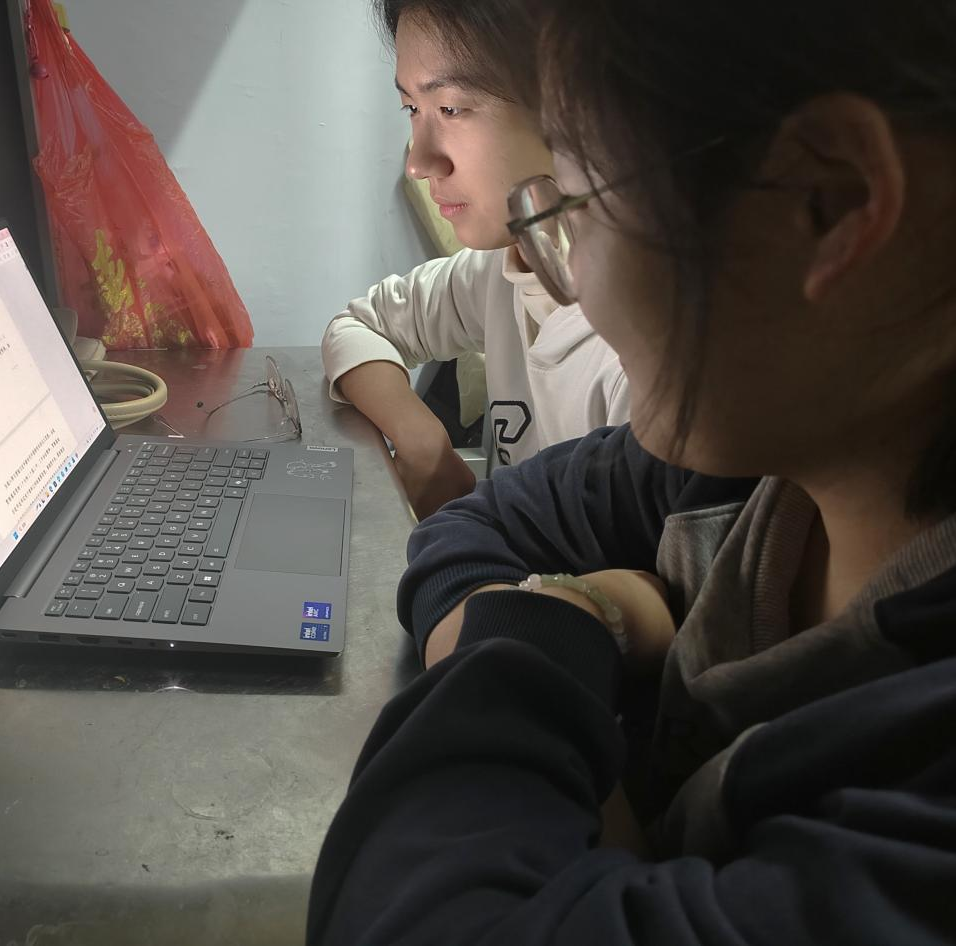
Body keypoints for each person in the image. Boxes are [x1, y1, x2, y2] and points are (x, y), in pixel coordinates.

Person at [308, 0, 956, 942]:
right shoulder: (738, 485)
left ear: (831, 201)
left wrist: (554, 624)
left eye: (582, 200)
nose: (577, 287)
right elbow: (475, 528)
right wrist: (608, 612)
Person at [321, 0, 629, 520]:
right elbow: (358, 325)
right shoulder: (502, 269)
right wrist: (421, 439)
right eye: (411, 109)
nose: (419, 162)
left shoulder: (634, 355)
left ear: (574, 106)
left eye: (450, 109)